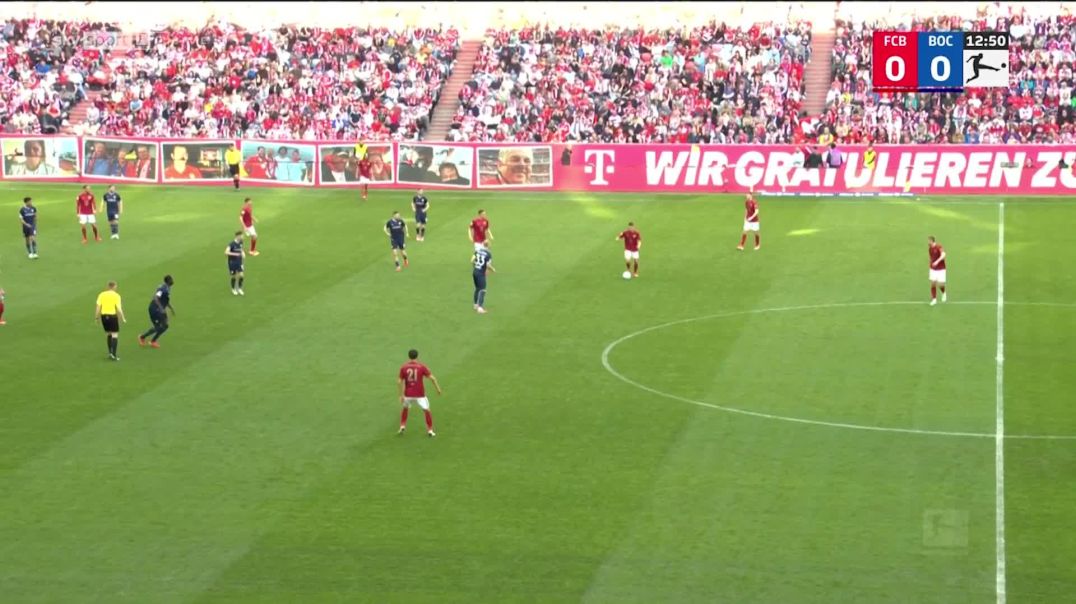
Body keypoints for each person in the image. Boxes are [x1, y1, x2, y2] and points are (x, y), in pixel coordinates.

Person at [397, 348, 443, 437]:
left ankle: (402, 425)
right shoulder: (421, 366)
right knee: (427, 410)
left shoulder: (404, 367)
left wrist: (400, 395)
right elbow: (432, 378)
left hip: (408, 394)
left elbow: (399, 381)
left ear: (409, 356)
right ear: (417, 356)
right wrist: (438, 389)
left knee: (405, 408)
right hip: (420, 394)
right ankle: (430, 430)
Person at [138, 275, 175, 348]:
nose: (173, 281)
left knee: (165, 326)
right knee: (158, 327)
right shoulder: (162, 288)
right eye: (171, 279)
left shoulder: (168, 288)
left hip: (161, 310)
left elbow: (164, 300)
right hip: (155, 309)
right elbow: (155, 298)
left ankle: (153, 341)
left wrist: (171, 308)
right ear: (168, 281)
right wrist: (161, 308)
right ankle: (142, 337)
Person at [94, 280, 126, 361]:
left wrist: (96, 317)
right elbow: (119, 308)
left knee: (108, 334)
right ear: (114, 287)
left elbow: (98, 307)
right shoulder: (116, 296)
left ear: (108, 286)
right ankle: (114, 355)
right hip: (112, 316)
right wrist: (123, 317)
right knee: (115, 335)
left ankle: (110, 353)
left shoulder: (102, 294)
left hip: (104, 316)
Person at [472, 240, 496, 314]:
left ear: (483, 244)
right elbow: (488, 265)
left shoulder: (477, 251)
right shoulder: (488, 254)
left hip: (475, 272)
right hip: (480, 274)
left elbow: (472, 261)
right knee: (482, 290)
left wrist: (476, 267)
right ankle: (480, 308)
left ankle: (475, 305)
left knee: (477, 288)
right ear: (488, 246)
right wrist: (493, 269)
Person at [928, 236, 947, 306]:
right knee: (933, 283)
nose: (928, 242)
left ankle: (944, 293)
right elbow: (931, 258)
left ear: (932, 241)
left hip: (941, 268)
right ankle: (934, 299)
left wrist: (937, 261)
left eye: (929, 241)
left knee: (941, 284)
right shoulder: (930, 249)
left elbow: (944, 254)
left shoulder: (939, 246)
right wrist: (931, 264)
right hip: (933, 269)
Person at [226, 231, 246, 296]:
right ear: (238, 236)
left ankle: (240, 288)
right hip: (232, 262)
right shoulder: (231, 244)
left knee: (241, 275)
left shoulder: (241, 242)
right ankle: (233, 289)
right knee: (234, 276)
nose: (243, 237)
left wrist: (243, 253)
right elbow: (226, 252)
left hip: (239, 262)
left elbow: (241, 249)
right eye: (242, 236)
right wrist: (235, 254)